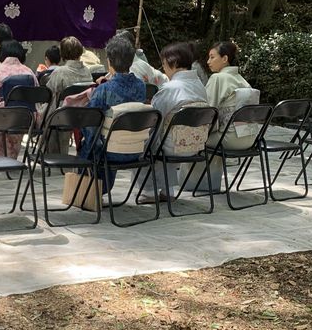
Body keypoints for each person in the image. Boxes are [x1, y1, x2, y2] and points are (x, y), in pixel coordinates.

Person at [136, 42, 211, 203]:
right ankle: (168, 190)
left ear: (174, 63)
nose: (163, 69)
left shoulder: (170, 88)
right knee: (168, 132)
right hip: (196, 145)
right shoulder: (200, 86)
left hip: (173, 146)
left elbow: (154, 116)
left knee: (147, 138)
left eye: (164, 64)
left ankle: (149, 191)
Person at [80, 33, 147, 192]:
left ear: (109, 61)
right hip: (136, 149)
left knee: (91, 139)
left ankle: (92, 190)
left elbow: (90, 124)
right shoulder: (141, 87)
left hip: (109, 152)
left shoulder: (104, 90)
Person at [204, 40, 259, 192]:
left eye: (212, 57)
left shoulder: (218, 78)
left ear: (225, 59)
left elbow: (207, 110)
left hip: (228, 139)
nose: (208, 61)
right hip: (250, 138)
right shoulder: (242, 80)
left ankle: (199, 184)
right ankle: (210, 182)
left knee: (194, 138)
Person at [0, 39, 38, 159]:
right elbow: (36, 97)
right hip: (25, 119)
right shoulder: (29, 72)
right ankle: (12, 160)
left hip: (1, 118)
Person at [42, 37, 96, 155]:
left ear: (63, 53)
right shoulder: (87, 72)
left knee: (47, 107)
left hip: (61, 116)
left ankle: (50, 154)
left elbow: (48, 93)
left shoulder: (60, 72)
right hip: (82, 115)